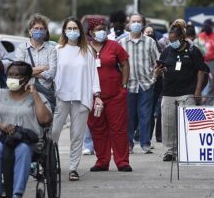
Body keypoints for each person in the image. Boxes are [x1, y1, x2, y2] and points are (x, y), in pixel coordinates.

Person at [0, 61, 52, 198]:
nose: (12, 78)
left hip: (26, 140)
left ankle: (17, 197)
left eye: (17, 75)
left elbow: (45, 120)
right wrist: (1, 126)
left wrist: (35, 94)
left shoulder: (37, 96)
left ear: (27, 78)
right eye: (10, 75)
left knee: (22, 149)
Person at [52, 17, 102, 181]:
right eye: (69, 28)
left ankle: (73, 168)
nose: (72, 31)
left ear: (80, 30)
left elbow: (94, 74)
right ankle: (50, 164)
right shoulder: (57, 50)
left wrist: (97, 95)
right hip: (61, 96)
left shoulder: (87, 51)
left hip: (81, 97)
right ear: (64, 31)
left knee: (77, 135)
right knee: (53, 133)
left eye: (75, 28)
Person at [154, 23, 206, 161]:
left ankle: (190, 149)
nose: (172, 43)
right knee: (168, 124)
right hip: (169, 92)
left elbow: (201, 70)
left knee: (191, 122)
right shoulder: (167, 51)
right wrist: (159, 71)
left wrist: (198, 90)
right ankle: (170, 151)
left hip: (187, 92)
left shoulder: (193, 50)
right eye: (170, 41)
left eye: (174, 40)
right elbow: (160, 67)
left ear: (182, 37)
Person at [86, 24, 132, 172]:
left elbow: (125, 64)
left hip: (115, 96)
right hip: (93, 97)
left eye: (103, 29)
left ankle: (122, 161)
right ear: (91, 32)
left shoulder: (114, 46)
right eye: (98, 29)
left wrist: (123, 86)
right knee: (97, 129)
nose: (101, 32)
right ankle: (102, 161)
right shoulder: (85, 48)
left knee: (118, 129)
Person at [120, 14, 159, 154]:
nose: (136, 24)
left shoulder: (150, 42)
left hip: (146, 84)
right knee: (128, 116)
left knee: (146, 115)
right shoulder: (122, 43)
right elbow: (118, 64)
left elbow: (157, 62)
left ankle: (145, 143)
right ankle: (128, 144)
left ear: (143, 24)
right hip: (128, 85)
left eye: (138, 22)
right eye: (133, 21)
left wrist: (153, 78)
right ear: (129, 24)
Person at [15, 13, 57, 110]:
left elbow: (51, 74)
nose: (39, 31)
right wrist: (42, 68)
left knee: (46, 122)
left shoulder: (51, 50)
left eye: (41, 29)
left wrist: (28, 72)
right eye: (36, 28)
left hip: (45, 95)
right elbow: (19, 72)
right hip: (26, 93)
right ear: (30, 31)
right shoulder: (22, 48)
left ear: (45, 32)